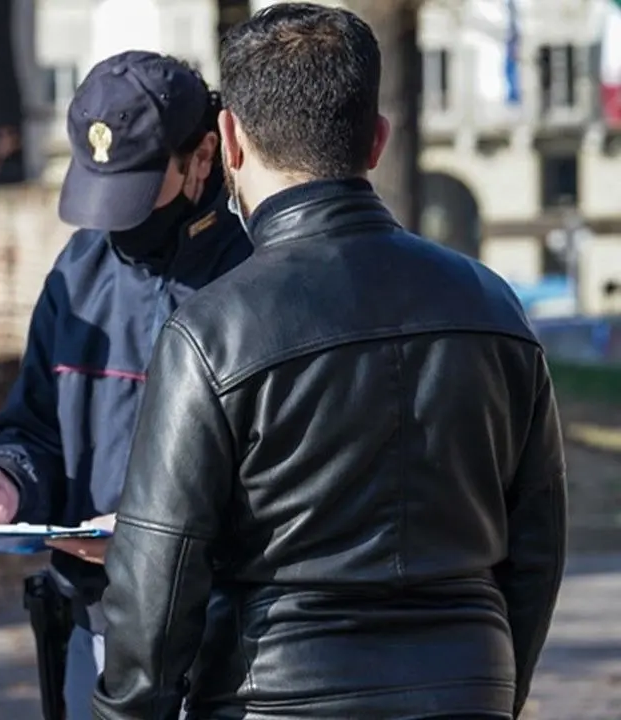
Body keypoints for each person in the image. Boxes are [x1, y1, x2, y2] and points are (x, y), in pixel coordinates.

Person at [92, 5, 568, 720]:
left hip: (276, 695)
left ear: (230, 142)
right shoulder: (494, 307)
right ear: (378, 140)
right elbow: (536, 545)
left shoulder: (212, 330)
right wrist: (496, 684)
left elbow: (156, 583)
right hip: (470, 682)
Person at [0, 51, 252, 719]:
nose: (118, 221)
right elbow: (36, 428)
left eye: (139, 189)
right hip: (96, 627)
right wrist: (5, 478)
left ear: (202, 156)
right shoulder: (78, 272)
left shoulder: (262, 272)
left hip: (234, 636)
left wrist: (157, 532)